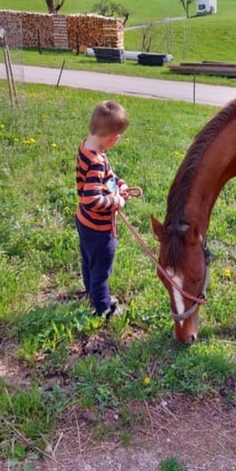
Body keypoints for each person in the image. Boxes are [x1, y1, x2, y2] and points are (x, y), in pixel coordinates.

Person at [74, 100, 134, 318]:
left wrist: (120, 185)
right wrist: (118, 202)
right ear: (114, 138)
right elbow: (92, 199)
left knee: (89, 262)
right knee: (101, 270)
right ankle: (103, 308)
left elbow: (106, 177)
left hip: (84, 221)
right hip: (99, 229)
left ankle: (93, 294)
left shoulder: (88, 147)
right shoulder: (97, 161)